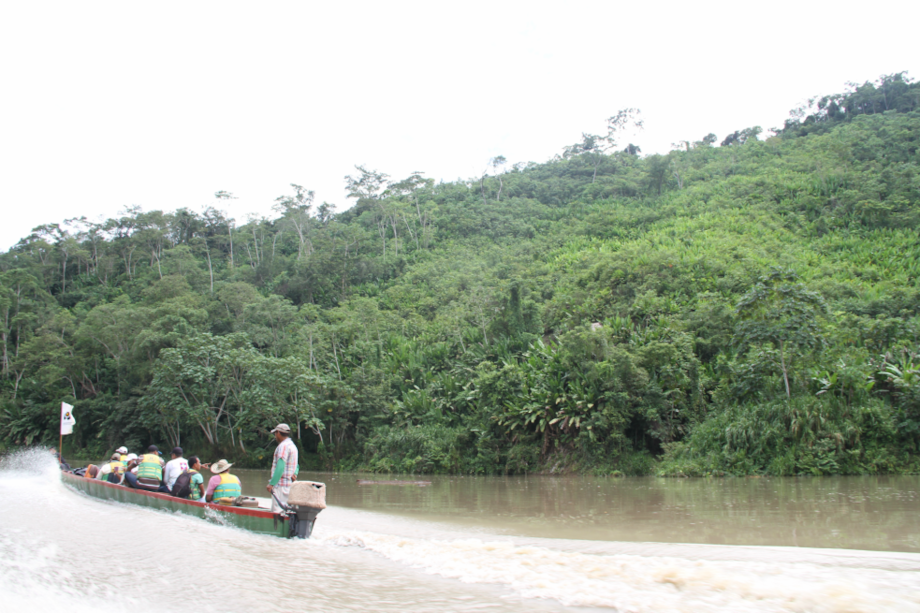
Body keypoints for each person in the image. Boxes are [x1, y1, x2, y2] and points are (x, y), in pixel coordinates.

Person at [266, 423, 299, 513]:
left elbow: (280, 466)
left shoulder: (283, 446)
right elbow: (297, 465)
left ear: (278, 433)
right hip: (289, 486)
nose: (275, 436)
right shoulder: (293, 446)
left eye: (275, 433)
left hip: (280, 486)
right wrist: (295, 473)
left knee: (277, 512)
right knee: (287, 512)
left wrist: (272, 483)